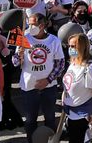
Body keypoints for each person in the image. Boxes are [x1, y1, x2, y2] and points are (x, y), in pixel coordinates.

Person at [13, 13, 64, 143]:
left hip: (49, 87)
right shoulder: (24, 38)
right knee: (30, 120)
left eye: (33, 24)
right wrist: (18, 56)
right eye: (29, 24)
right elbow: (15, 62)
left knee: (50, 119)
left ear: (41, 25)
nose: (30, 27)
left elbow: (60, 64)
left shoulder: (54, 40)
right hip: (29, 87)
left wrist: (48, 80)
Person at [63, 33, 92, 143]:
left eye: (73, 46)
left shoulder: (90, 68)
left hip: (82, 117)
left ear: (81, 47)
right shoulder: (73, 63)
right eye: (69, 46)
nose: (70, 49)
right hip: (71, 114)